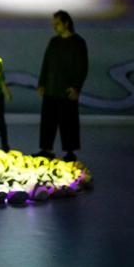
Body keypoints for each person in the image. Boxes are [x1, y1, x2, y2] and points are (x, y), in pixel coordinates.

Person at [34, 10, 88, 162]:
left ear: (66, 23)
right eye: (54, 24)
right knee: (48, 120)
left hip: (67, 90)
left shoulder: (78, 42)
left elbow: (82, 67)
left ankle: (70, 152)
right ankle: (46, 149)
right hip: (51, 88)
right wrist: (41, 83)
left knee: (69, 121)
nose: (55, 27)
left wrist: (76, 87)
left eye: (57, 24)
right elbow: (46, 63)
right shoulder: (54, 42)